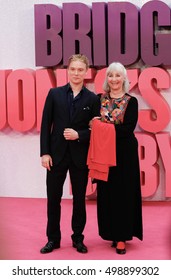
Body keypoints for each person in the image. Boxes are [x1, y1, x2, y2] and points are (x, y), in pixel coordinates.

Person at [40, 54, 101, 254]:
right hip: (56, 156)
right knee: (53, 198)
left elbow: (96, 130)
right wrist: (45, 153)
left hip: (79, 157)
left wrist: (79, 135)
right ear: (68, 70)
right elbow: (45, 125)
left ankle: (78, 239)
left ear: (86, 72)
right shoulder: (54, 94)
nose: (76, 73)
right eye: (73, 69)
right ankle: (53, 239)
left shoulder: (93, 99)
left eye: (80, 69)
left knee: (79, 200)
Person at [89, 62, 143, 254]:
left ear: (124, 79)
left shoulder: (132, 101)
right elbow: (92, 124)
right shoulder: (98, 100)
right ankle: (111, 232)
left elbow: (127, 129)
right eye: (110, 75)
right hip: (104, 153)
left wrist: (100, 126)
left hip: (125, 154)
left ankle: (122, 237)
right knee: (107, 194)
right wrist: (92, 124)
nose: (114, 79)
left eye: (117, 76)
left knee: (124, 194)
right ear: (107, 79)